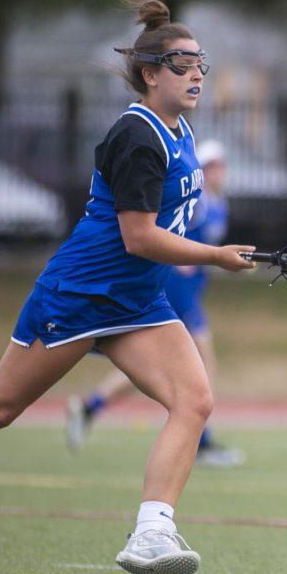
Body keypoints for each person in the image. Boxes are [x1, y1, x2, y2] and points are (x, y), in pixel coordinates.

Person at [0, 0, 255, 574]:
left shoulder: (181, 130)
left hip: (137, 301)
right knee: (2, 408)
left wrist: (213, 251)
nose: (195, 76)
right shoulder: (138, 135)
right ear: (149, 73)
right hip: (80, 293)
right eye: (181, 65)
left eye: (199, 66)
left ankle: (152, 533)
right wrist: (214, 255)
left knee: (195, 401)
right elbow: (139, 237)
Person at [65, 139, 244, 467]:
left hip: (192, 292)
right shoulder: (200, 202)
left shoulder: (220, 204)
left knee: (157, 368)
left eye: (222, 165)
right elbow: (163, 230)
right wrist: (180, 259)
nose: (219, 172)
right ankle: (201, 443)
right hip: (176, 288)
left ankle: (91, 407)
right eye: (212, 166)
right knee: (202, 362)